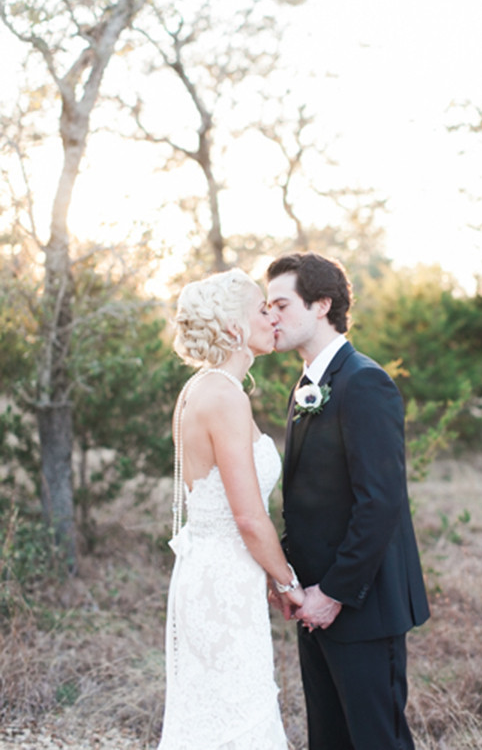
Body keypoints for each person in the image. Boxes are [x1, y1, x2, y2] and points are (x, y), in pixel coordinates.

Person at [266, 251, 430, 750]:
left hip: (360, 604)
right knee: (330, 740)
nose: (270, 316)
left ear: (321, 305)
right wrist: (296, 584)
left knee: (376, 740)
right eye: (266, 307)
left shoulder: (364, 382)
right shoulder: (305, 386)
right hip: (314, 603)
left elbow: (379, 503)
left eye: (280, 304)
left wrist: (332, 593)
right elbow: (309, 498)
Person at [157, 268, 303, 750]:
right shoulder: (224, 395)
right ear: (235, 328)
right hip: (222, 582)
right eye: (263, 310)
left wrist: (261, 572)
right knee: (236, 719)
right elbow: (247, 516)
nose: (272, 318)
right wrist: (286, 581)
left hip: (219, 572)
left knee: (218, 715)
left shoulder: (204, 388)